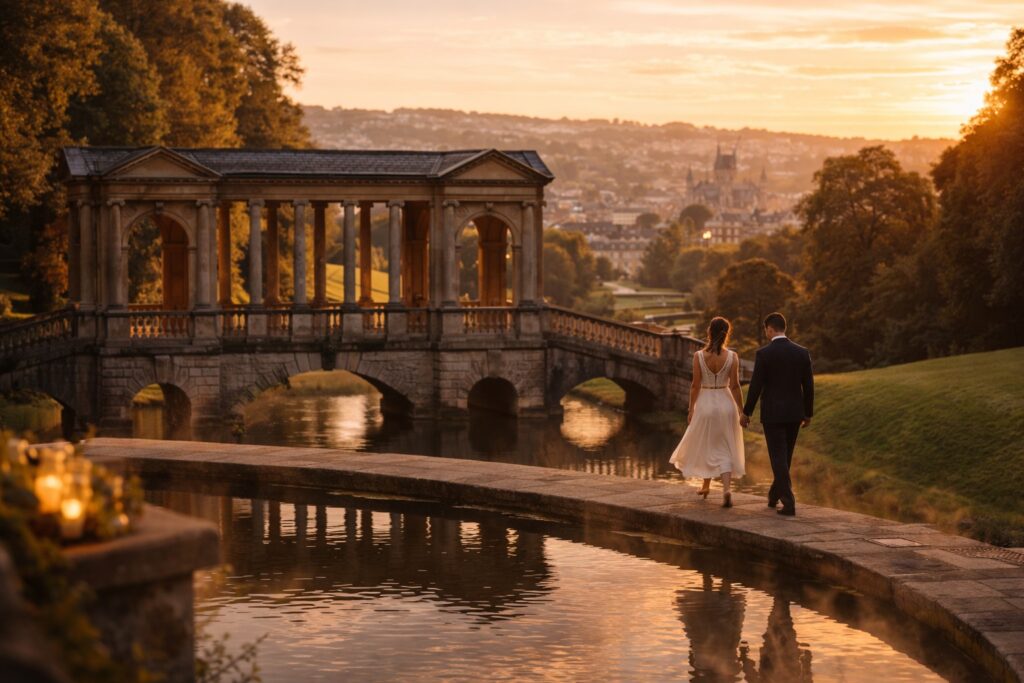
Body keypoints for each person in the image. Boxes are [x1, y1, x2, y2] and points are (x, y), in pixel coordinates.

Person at [741, 312, 814, 516]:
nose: (766, 333)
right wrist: (808, 414)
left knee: (778, 458)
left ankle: (788, 502)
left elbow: (755, 386)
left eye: (766, 329)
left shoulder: (764, 354)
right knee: (785, 457)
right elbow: (808, 386)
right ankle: (774, 495)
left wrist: (747, 412)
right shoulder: (802, 352)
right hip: (794, 413)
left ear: (770, 329)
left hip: (773, 414)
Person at [670, 316, 745, 507]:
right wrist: (741, 410)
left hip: (705, 404)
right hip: (726, 403)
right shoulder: (732, 357)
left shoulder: (699, 356)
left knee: (707, 444)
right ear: (727, 333)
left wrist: (691, 409)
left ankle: (706, 485)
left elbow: (695, 385)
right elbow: (735, 386)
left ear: (709, 332)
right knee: (725, 447)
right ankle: (726, 490)